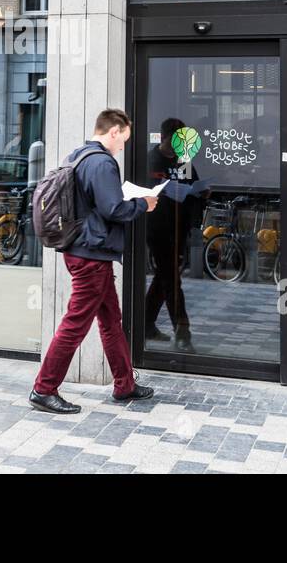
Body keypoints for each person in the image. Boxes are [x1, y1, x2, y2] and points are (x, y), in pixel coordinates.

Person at [29, 109, 158, 415]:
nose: (123, 146)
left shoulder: (78, 155)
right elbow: (114, 209)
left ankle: (124, 383)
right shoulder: (101, 162)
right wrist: (144, 203)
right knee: (76, 324)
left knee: (111, 320)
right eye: (123, 140)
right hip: (92, 256)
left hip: (86, 251)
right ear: (113, 131)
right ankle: (44, 389)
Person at [144, 117, 201, 353]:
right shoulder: (150, 159)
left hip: (179, 227)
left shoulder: (183, 161)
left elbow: (194, 187)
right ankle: (183, 330)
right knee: (170, 278)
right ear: (165, 137)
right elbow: (142, 191)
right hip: (157, 227)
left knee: (164, 277)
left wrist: (202, 193)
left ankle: (145, 324)